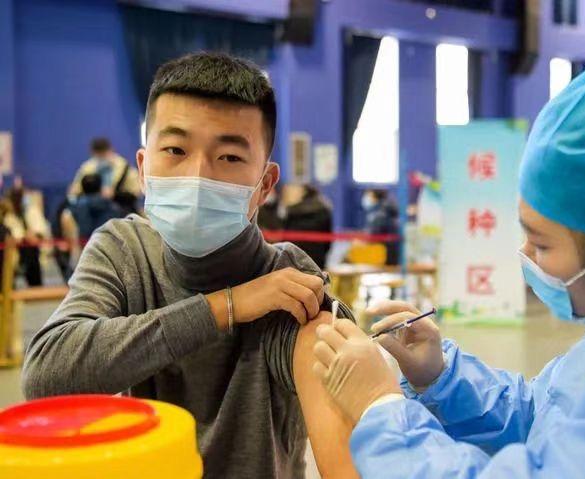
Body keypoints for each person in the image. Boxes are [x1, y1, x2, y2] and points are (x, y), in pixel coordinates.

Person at [311, 57, 585, 477]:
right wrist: (438, 376)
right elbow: (543, 413)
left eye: (542, 243)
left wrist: (380, 407)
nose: (525, 253)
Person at [23, 53, 359, 478]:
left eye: (230, 157)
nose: (198, 176)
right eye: (175, 150)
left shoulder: (288, 280)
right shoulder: (125, 251)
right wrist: (228, 305)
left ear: (265, 185)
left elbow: (343, 445)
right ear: (143, 169)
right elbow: (46, 375)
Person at [68, 137, 141, 214]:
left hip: (121, 208)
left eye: (104, 154)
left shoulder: (124, 167)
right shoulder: (87, 168)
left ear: (111, 150)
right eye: (99, 156)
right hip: (93, 211)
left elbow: (135, 192)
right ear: (93, 153)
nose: (102, 158)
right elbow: (75, 191)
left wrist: (115, 194)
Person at [4, 177, 51, 286]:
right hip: (15, 252)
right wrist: (23, 237)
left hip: (33, 251)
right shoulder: (8, 215)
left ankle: (36, 287)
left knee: (32, 256)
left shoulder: (31, 210)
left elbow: (42, 229)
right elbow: (11, 234)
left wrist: (35, 235)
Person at [283, 184, 333, 269]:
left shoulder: (293, 210)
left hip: (295, 252)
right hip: (318, 252)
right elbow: (328, 235)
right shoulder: (324, 209)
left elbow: (286, 233)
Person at [67, 173, 125, 240]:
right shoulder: (114, 207)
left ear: (82, 188)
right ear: (100, 187)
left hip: (82, 243)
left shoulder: (74, 207)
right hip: (106, 242)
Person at [361, 189, 400, 265]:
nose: (366, 198)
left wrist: (364, 241)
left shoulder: (380, 211)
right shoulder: (380, 209)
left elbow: (375, 232)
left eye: (368, 195)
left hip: (384, 252)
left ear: (374, 196)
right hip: (387, 251)